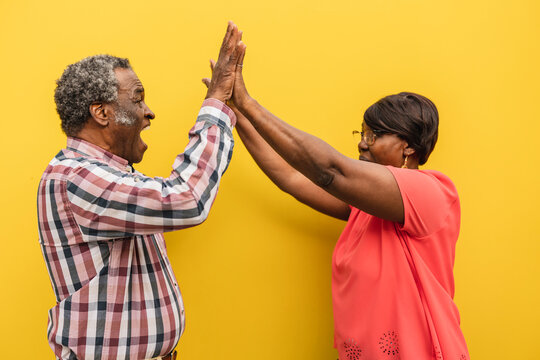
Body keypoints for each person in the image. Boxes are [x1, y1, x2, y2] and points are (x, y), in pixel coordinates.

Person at [216, 30, 469, 359]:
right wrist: (235, 112)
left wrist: (248, 102)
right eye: (361, 133)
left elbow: (330, 171)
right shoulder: (367, 207)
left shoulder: (429, 191)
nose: (362, 143)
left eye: (373, 134)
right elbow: (291, 176)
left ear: (408, 145)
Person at [37, 22, 244, 360]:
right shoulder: (76, 178)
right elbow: (188, 198)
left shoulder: (108, 174)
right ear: (102, 113)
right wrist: (216, 104)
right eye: (137, 98)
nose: (149, 112)